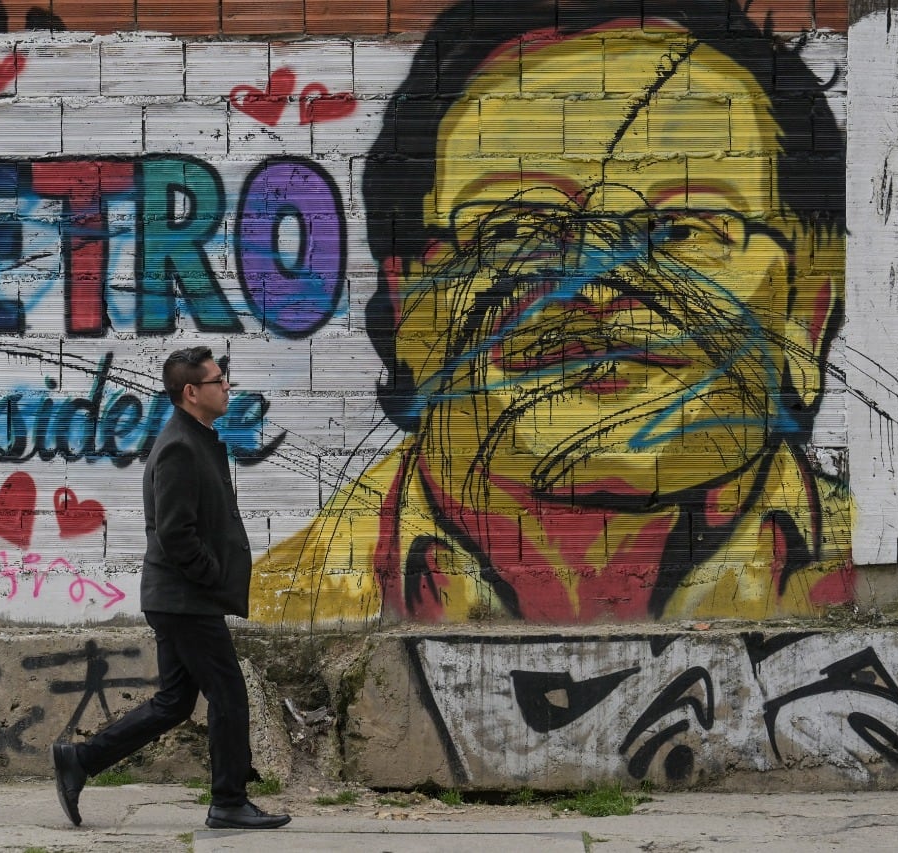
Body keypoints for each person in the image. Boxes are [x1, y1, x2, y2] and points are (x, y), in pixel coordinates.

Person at [251, 0, 854, 626]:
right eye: (517, 227)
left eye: (683, 228)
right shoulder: (291, 607)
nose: (594, 283)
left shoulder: (873, 564)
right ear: (408, 296)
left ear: (809, 306)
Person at [51, 346, 290, 830]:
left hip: (181, 597)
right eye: (219, 380)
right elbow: (175, 532)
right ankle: (228, 801)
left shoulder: (197, 437)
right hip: (185, 598)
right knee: (228, 695)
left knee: (175, 702)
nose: (227, 387)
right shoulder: (180, 445)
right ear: (191, 392)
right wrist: (212, 578)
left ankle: (81, 760)